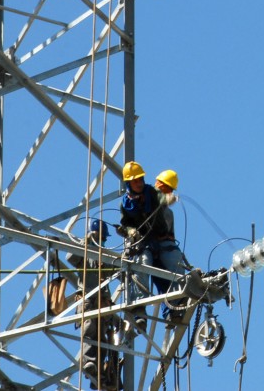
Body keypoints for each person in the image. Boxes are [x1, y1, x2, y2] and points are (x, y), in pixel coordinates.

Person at [68, 219, 120, 390]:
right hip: (88, 300)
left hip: (102, 304)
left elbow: (119, 269)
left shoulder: (104, 257)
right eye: (101, 237)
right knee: (89, 331)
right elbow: (70, 257)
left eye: (104, 238)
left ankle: (99, 374)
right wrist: (86, 241)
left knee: (102, 339)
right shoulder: (83, 252)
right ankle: (90, 364)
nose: (103, 241)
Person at [118, 161, 170, 319]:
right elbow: (124, 225)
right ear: (128, 183)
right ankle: (139, 310)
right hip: (140, 243)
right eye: (135, 181)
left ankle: (172, 309)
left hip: (157, 239)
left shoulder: (151, 193)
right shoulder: (126, 204)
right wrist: (129, 231)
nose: (139, 183)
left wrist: (167, 199)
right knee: (143, 263)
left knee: (169, 269)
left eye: (140, 179)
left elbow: (161, 197)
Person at [149, 169, 192, 318]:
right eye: (167, 187)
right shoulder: (148, 199)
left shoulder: (169, 213)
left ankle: (176, 306)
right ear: (159, 183)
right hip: (151, 248)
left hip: (166, 248)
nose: (168, 191)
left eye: (170, 189)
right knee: (164, 281)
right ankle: (170, 309)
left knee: (175, 278)